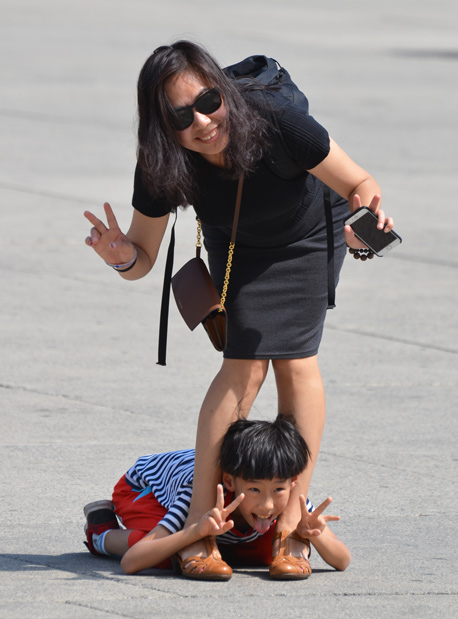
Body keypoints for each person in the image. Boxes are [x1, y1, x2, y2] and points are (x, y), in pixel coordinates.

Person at [84, 40, 394, 577]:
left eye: (209, 100)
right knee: (244, 365)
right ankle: (200, 526)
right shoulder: (161, 162)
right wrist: (119, 257)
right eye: (182, 116)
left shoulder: (278, 120)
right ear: (163, 126)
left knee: (295, 360)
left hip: (310, 235)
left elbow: (361, 184)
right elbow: (142, 259)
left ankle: (293, 526)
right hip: (238, 249)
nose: (203, 121)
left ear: (223, 91)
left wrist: (364, 226)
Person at [83, 416, 351, 579]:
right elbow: (132, 563)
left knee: (264, 553)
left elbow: (342, 560)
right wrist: (194, 532)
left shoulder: (292, 498)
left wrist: (315, 535)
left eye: (278, 490)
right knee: (169, 555)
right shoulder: (200, 494)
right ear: (229, 481)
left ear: (293, 482)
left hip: (189, 485)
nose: (267, 504)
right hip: (142, 488)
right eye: (254, 490)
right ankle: (100, 534)